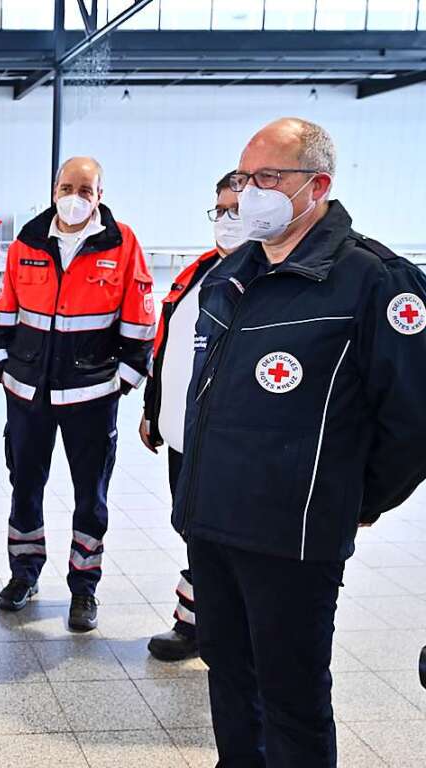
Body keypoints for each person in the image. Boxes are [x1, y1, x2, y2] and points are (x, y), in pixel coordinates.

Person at [173, 118, 426, 766]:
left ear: (318, 185)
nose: (249, 192)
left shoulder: (374, 280)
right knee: (229, 682)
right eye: (242, 178)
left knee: (291, 701)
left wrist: (351, 497)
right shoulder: (231, 275)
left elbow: (414, 418)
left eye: (266, 178)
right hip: (213, 522)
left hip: (293, 536)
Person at [0, 156, 156, 631]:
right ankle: (24, 574)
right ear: (54, 189)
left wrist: (124, 378)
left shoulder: (122, 243)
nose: (75, 197)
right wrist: (1, 361)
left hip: (92, 395)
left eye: (86, 189)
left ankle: (84, 588)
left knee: (91, 495)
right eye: (67, 187)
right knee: (25, 487)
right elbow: (6, 307)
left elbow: (141, 320)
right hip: (27, 393)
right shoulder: (27, 242)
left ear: (99, 194)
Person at [141, 172, 245, 661]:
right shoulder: (199, 271)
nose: (226, 222)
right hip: (185, 435)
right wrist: (153, 410)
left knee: (226, 538)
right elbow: (169, 348)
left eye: (237, 211)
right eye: (220, 210)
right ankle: (195, 624)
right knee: (192, 530)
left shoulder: (267, 278)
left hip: (231, 445)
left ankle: (225, 633)